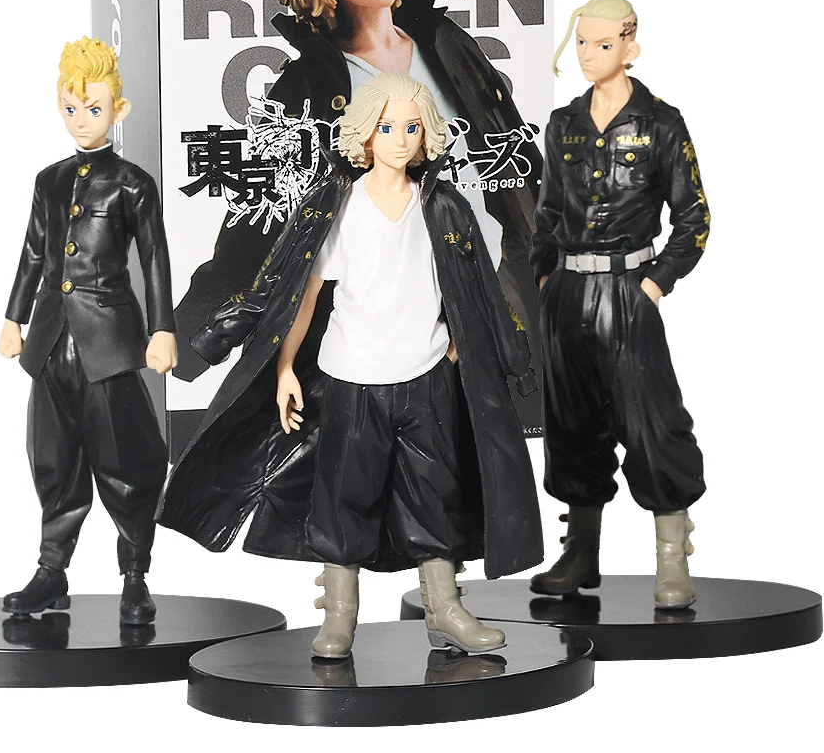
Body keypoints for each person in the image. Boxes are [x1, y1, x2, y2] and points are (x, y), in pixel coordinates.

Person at [159, 73, 542, 658]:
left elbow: (475, 289)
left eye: (411, 127)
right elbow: (302, 293)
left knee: (435, 494)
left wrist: (466, 348)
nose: (400, 139)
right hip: (352, 377)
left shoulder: (442, 206)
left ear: (427, 134)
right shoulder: (338, 205)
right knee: (343, 496)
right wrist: (285, 367)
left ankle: (444, 608)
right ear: (364, 132)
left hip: (427, 376)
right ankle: (339, 615)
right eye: (387, 127)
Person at [173, 0, 543, 438]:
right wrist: (183, 341)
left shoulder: (446, 43)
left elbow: (518, 160)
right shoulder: (309, 86)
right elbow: (255, 227)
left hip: (484, 301)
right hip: (377, 323)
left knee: (488, 465)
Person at [530, 0, 707, 609]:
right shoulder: (563, 124)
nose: (587, 55)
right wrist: (545, 278)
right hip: (568, 293)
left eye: (602, 45)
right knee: (571, 423)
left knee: (650, 420)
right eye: (581, 42)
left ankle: (671, 553)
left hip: (629, 292)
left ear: (629, 48)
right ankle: (580, 551)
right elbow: (547, 212)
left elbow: (694, 218)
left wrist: (654, 284)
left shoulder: (661, 124)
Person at [0, 37, 177, 626]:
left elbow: (154, 258)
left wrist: (162, 330)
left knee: (128, 462)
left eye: (93, 108)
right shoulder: (48, 181)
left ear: (118, 110)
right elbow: (33, 253)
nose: (81, 119)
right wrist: (14, 319)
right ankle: (51, 571)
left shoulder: (132, 183)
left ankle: (135, 576)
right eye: (70, 108)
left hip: (110, 345)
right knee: (52, 459)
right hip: (51, 343)